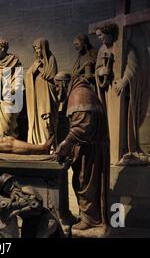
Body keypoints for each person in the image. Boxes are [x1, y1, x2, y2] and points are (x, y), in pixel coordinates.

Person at [54, 73, 110, 237]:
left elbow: (82, 127)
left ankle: (91, 221)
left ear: (64, 83)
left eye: (57, 86)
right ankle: (89, 218)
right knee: (84, 183)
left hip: (90, 153)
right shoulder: (83, 92)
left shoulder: (79, 94)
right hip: (90, 150)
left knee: (85, 184)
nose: (57, 90)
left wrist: (66, 144)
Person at [95, 24, 150, 165]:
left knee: (125, 121)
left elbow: (133, 66)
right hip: (110, 94)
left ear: (108, 33)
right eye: (98, 36)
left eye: (101, 35)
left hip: (124, 94)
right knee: (111, 123)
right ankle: (112, 152)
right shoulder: (102, 50)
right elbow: (97, 70)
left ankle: (127, 149)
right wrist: (102, 72)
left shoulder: (126, 47)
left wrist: (124, 81)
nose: (100, 39)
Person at [0, 174, 64, 238]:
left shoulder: (27, 189)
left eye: (12, 184)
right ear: (6, 193)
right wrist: (15, 206)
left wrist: (19, 209)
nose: (12, 188)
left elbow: (37, 207)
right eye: (8, 189)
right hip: (28, 224)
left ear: (15, 181)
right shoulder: (11, 201)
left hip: (43, 220)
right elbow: (1, 211)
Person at [0, 39, 23, 138]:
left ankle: (10, 138)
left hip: (9, 94)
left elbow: (19, 76)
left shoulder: (14, 60)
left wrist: (15, 87)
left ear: (3, 48)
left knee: (7, 123)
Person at [25, 38, 58, 147]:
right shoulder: (35, 62)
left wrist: (39, 69)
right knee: (37, 118)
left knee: (46, 120)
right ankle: (37, 143)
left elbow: (51, 76)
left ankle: (48, 144)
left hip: (46, 94)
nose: (36, 51)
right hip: (36, 97)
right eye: (35, 49)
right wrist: (34, 69)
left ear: (43, 48)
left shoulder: (51, 59)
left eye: (38, 48)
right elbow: (28, 76)